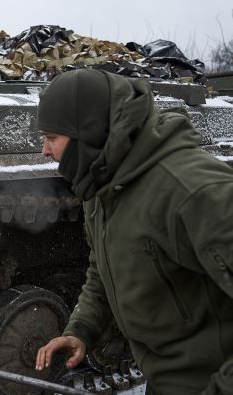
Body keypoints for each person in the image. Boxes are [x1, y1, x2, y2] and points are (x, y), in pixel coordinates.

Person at [33, 69, 233, 395]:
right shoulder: (101, 184)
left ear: (90, 133)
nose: (45, 150)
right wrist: (82, 330)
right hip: (162, 380)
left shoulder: (191, 191)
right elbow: (104, 265)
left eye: (52, 137)